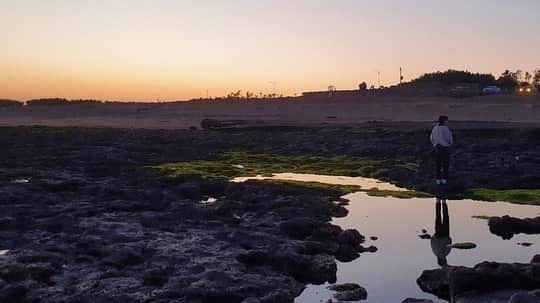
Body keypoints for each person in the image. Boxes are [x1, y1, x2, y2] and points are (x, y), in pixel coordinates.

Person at [430, 115, 453, 185]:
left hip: (437, 147)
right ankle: (444, 179)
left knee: (438, 164)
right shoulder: (445, 129)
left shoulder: (435, 128)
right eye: (446, 120)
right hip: (445, 148)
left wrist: (434, 144)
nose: (447, 122)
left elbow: (431, 138)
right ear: (444, 121)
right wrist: (449, 144)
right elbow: (449, 138)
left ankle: (438, 179)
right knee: (445, 164)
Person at [431, 197, 452, 267]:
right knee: (438, 217)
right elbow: (432, 243)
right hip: (437, 235)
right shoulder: (435, 252)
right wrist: (434, 236)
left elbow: (449, 244)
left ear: (444, 260)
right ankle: (438, 201)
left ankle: (444, 202)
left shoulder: (445, 253)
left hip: (445, 235)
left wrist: (449, 238)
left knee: (446, 217)